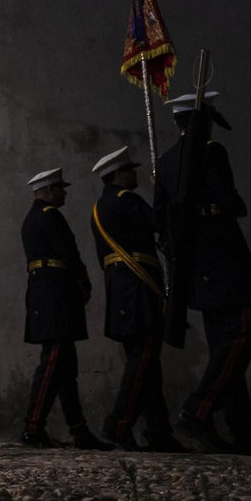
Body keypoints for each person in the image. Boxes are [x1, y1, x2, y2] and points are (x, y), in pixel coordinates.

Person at [155, 91, 251, 456]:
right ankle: (198, 410)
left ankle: (244, 433)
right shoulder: (211, 152)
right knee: (238, 339)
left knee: (225, 350)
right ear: (204, 121)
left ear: (176, 123)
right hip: (224, 257)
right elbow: (229, 203)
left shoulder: (164, 163)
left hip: (196, 266)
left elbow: (160, 221)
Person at [88, 145, 182, 452]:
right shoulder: (125, 200)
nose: (135, 175)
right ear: (118, 174)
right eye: (130, 170)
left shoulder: (100, 206)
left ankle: (158, 432)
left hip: (123, 288)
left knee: (146, 363)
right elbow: (157, 221)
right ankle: (117, 423)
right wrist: (163, 191)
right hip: (137, 285)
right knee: (143, 358)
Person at [20, 167, 111, 450]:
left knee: (65, 370)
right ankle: (32, 428)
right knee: (53, 363)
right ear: (49, 191)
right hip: (56, 296)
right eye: (60, 188)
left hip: (45, 293)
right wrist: (84, 283)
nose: (64, 192)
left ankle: (79, 431)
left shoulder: (31, 218)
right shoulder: (50, 216)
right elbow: (69, 254)